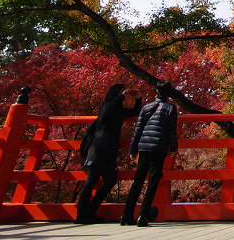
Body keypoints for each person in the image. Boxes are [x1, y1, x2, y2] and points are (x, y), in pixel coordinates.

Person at [75, 84, 142, 224]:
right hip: (98, 149)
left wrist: (138, 98)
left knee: (110, 181)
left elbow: (136, 111)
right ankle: (81, 214)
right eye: (118, 94)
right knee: (90, 182)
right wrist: (123, 95)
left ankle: (89, 211)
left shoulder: (118, 111)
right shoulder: (105, 107)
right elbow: (108, 109)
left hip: (108, 152)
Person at [121, 80, 179, 227]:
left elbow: (138, 129)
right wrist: (173, 148)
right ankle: (142, 216)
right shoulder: (170, 109)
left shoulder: (146, 107)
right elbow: (171, 131)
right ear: (168, 94)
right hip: (159, 147)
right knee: (153, 181)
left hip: (144, 145)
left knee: (138, 180)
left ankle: (126, 215)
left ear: (156, 92)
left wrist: (133, 148)